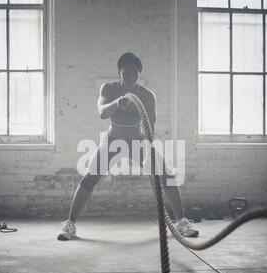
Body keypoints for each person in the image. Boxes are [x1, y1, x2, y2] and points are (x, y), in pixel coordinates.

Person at [57, 52, 199, 240]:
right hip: (113, 141)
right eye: (126, 73)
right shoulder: (108, 89)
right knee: (89, 177)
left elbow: (151, 126)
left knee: (167, 175)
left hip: (137, 142)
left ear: (138, 75)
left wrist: (150, 152)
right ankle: (70, 225)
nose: (130, 78)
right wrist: (117, 103)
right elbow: (102, 113)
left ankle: (181, 221)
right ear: (119, 73)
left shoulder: (147, 96)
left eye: (134, 74)